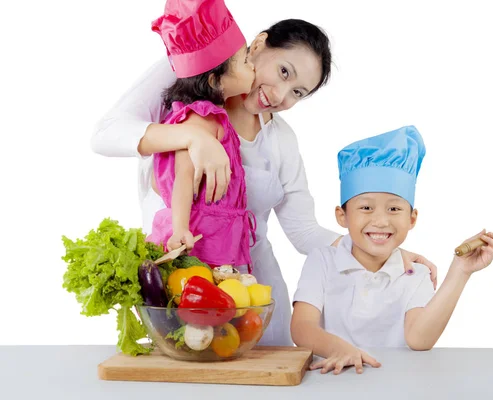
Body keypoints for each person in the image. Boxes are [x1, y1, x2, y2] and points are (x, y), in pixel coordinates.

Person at [91, 18, 438, 345]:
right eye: (283, 71)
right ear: (258, 45)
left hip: (254, 294)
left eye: (298, 92)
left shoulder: (281, 141)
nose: (280, 94)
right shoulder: (192, 80)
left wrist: (381, 249)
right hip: (179, 286)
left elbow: (303, 232)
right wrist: (194, 139)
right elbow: (105, 135)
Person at [290, 126, 493, 374]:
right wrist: (340, 349)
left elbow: (419, 339)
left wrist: (461, 271)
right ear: (342, 216)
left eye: (394, 209)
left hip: (397, 385)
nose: (381, 221)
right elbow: (301, 328)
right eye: (366, 208)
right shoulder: (323, 261)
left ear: (412, 219)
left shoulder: (416, 273)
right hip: (330, 384)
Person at [146, 0, 256, 269]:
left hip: (214, 236)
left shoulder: (211, 115)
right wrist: (181, 228)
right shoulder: (201, 117)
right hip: (198, 238)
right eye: (244, 61)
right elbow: (184, 174)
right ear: (214, 80)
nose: (252, 66)